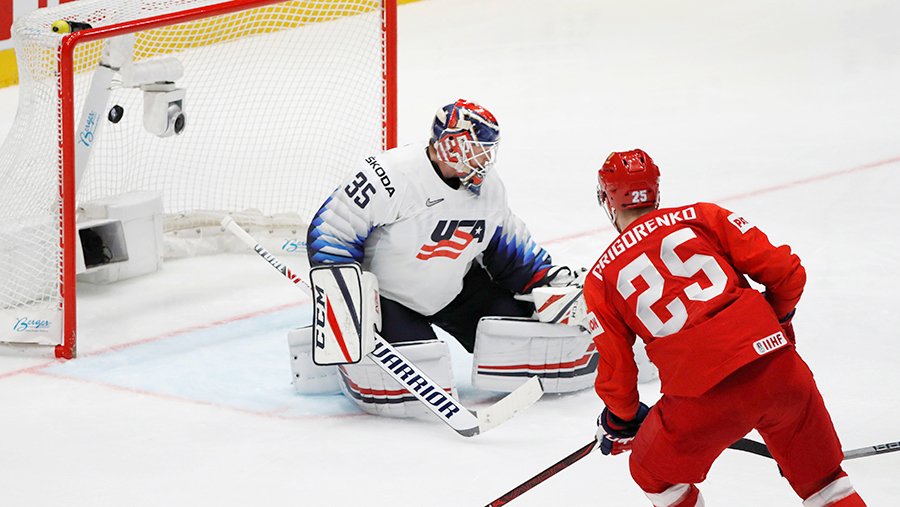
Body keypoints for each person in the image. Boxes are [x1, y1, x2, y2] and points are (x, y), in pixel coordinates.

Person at [583, 149, 864, 506]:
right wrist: (771, 324)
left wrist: (621, 420)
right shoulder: (702, 216)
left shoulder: (600, 278)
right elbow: (787, 273)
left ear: (608, 200)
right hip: (779, 370)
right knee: (827, 485)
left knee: (652, 474)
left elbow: (618, 375)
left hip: (702, 396)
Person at [291, 99, 596, 418]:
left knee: (524, 337)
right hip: (391, 300)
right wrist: (344, 301)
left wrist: (547, 280)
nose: (486, 159)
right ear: (451, 144)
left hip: (455, 290)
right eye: (478, 149)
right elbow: (333, 229)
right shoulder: (391, 175)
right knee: (422, 378)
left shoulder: (489, 188)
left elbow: (509, 248)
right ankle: (337, 360)